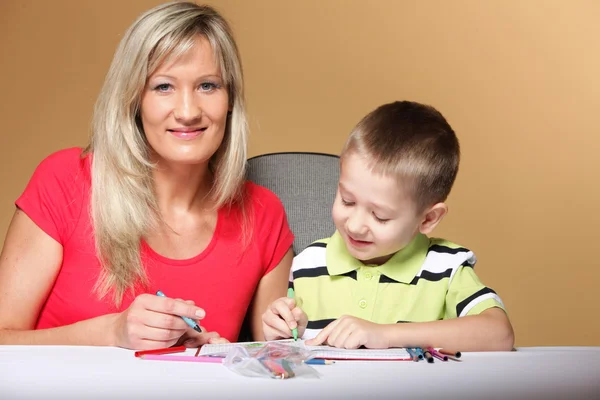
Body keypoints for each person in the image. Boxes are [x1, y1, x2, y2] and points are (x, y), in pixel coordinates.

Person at [0, 2, 294, 350]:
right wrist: (111, 334)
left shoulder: (263, 214)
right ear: (133, 99)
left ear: (230, 98)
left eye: (208, 86)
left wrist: (218, 355)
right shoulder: (64, 181)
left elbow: (274, 359)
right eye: (163, 87)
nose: (188, 112)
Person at [262, 101, 514, 351]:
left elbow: (499, 334)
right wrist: (281, 329)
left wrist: (385, 335)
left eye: (380, 216)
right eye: (347, 201)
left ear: (428, 219)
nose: (356, 225)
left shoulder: (445, 268)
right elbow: (290, 352)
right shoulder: (308, 264)